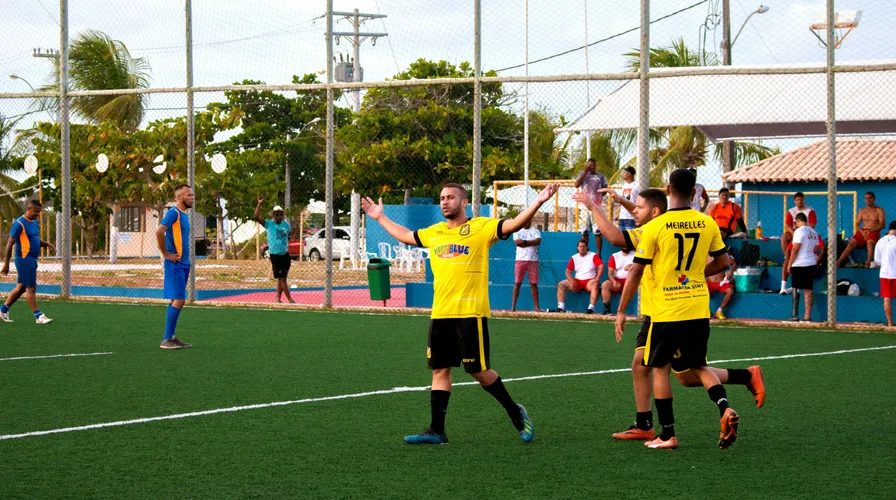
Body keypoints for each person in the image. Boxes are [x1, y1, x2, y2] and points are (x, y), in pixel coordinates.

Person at [361, 182, 558, 445]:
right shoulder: (436, 232)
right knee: (439, 370)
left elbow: (513, 225)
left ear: (463, 202)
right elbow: (407, 236)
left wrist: (538, 202)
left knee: (478, 371)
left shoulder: (481, 227)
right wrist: (380, 217)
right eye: (442, 198)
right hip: (441, 312)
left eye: (450, 197)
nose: (444, 202)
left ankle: (515, 412)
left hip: (470, 313)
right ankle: (436, 431)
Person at [575, 187, 764, 444]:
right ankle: (744, 377)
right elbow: (650, 214)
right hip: (673, 309)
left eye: (639, 208)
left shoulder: (653, 231)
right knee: (682, 375)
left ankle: (658, 430)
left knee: (657, 367)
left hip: (662, 312)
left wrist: (591, 205)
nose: (634, 212)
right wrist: (624, 202)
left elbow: (615, 236)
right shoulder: (673, 224)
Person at [616, 168, 739, 450]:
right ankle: (724, 408)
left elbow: (636, 270)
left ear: (668, 190)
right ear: (694, 192)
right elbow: (723, 263)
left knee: (659, 368)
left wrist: (621, 310)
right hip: (698, 306)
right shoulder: (706, 222)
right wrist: (696, 275)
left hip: (667, 310)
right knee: (698, 365)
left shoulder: (656, 226)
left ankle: (667, 434)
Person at [0, 199, 56, 324]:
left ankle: (3, 310)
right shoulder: (19, 224)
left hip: (32, 259)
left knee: (21, 288)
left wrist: (46, 244)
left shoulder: (34, 223)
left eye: (39, 213)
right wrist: (6, 264)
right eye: (35, 212)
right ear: (29, 209)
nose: (37, 214)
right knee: (31, 288)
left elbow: (34, 239)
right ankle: (38, 316)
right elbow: (9, 244)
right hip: (24, 259)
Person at [156, 184, 194, 349]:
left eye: (193, 195)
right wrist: (165, 253)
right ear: (180, 197)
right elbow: (159, 231)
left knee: (174, 299)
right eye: (189, 195)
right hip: (175, 263)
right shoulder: (174, 213)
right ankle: (166, 340)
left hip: (184, 263)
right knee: (179, 300)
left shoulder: (185, 215)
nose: (192, 198)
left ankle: (170, 336)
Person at [255, 198, 295, 304]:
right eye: (276, 214)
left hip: (285, 255)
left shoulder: (286, 225)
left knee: (282, 278)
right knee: (282, 279)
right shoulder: (269, 224)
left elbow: (288, 235)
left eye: (280, 214)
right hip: (275, 255)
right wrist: (259, 205)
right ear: (273, 215)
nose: (279, 216)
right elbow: (256, 217)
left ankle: (277, 298)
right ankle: (290, 300)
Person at [785, 213, 823, 322]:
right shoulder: (813, 232)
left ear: (797, 221)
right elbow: (816, 249)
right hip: (811, 262)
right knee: (808, 290)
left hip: (800, 263)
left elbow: (795, 249)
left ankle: (795, 315)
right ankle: (807, 316)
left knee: (795, 288)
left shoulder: (799, 231)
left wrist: (790, 263)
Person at [780, 192, 817, 293]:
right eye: (797, 200)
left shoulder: (810, 210)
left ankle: (794, 288)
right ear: (794, 201)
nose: (800, 202)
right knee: (783, 237)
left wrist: (802, 232)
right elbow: (787, 225)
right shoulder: (791, 211)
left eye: (801, 199)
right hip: (794, 232)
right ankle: (787, 257)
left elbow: (812, 225)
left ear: (804, 200)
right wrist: (795, 233)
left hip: (805, 234)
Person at [838, 191, 886, 267]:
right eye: (866, 198)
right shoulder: (862, 210)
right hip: (863, 231)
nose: (868, 200)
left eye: (870, 198)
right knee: (851, 243)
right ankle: (839, 261)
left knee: (869, 243)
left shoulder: (879, 210)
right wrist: (862, 232)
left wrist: (871, 230)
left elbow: (882, 225)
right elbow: (857, 224)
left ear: (874, 199)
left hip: (874, 231)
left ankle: (868, 261)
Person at [555, 240, 603, 314]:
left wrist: (597, 278)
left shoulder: (593, 255)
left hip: (589, 281)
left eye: (584, 246)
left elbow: (601, 266)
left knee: (595, 284)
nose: (582, 248)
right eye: (580, 246)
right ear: (577, 248)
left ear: (587, 247)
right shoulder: (574, 257)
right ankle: (560, 307)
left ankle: (591, 308)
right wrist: (571, 281)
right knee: (561, 284)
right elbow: (567, 271)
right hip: (577, 281)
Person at [574, 157, 608, 256]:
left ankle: (599, 253)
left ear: (596, 166)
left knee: (598, 231)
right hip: (584, 207)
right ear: (587, 165)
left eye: (593, 165)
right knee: (584, 231)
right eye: (590, 165)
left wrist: (597, 197)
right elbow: (576, 184)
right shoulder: (582, 174)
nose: (591, 167)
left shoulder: (601, 176)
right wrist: (585, 173)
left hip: (597, 207)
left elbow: (605, 189)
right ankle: (585, 252)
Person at [511, 220, 541, 312]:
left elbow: (538, 241)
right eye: (526, 220)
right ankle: (513, 307)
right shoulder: (517, 231)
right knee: (517, 283)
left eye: (530, 220)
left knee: (534, 284)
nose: (528, 222)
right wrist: (530, 242)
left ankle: (536, 307)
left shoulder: (535, 231)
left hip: (533, 260)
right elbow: (517, 242)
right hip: (520, 260)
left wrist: (524, 242)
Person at [872, 220, 896, 327]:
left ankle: (890, 323)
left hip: (885, 273)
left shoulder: (880, 241)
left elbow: (877, 261)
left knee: (887, 298)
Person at [600, 248, 634, 315]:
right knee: (605, 284)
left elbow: (641, 266)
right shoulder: (615, 256)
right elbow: (610, 272)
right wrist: (613, 281)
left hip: (632, 282)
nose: (625, 246)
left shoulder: (636, 255)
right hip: (618, 281)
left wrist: (632, 266)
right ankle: (607, 309)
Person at [707, 250, 737, 320]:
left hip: (721, 283)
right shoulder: (703, 256)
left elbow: (734, 263)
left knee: (730, 291)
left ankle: (719, 311)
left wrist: (731, 271)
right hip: (710, 283)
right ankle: (707, 311)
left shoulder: (722, 255)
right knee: (699, 290)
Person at [616, 166, 640, 231]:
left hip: (632, 218)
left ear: (629, 174)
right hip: (622, 217)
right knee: (621, 238)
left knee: (630, 239)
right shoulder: (624, 185)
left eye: (624, 172)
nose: (622, 174)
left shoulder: (637, 185)